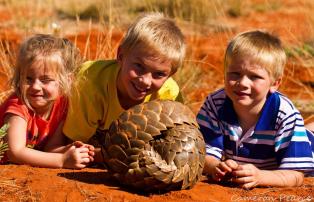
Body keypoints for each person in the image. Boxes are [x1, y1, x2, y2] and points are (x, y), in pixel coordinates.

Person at [58, 12, 186, 162]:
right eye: (139, 66)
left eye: (158, 74)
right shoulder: (90, 82)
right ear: (121, 55)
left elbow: (174, 146)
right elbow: (74, 146)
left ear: (171, 74)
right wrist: (121, 154)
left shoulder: (170, 95)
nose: (145, 81)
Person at [197, 30, 314, 189]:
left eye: (254, 77)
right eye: (235, 74)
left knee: (308, 136)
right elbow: (203, 155)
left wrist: (261, 176)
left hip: (307, 148)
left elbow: (296, 175)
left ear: (274, 83)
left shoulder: (285, 113)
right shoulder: (215, 104)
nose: (243, 83)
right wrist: (215, 166)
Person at [0, 34, 94, 168]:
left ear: (66, 80)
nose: (35, 87)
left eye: (45, 80)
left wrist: (69, 150)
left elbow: (51, 148)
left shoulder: (62, 105)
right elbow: (15, 152)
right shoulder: (18, 106)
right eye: (28, 79)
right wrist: (62, 160)